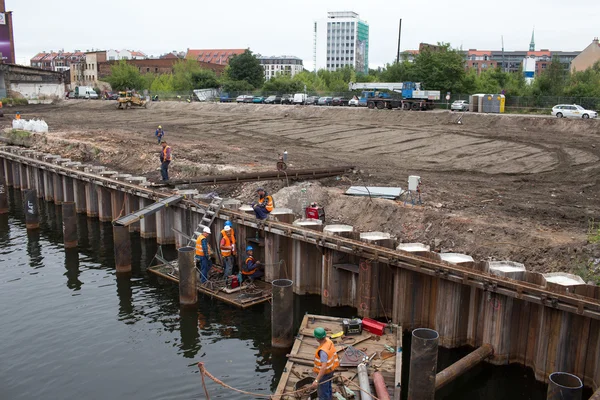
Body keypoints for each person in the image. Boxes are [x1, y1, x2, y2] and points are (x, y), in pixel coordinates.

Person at [310, 327, 339, 400]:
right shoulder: (329, 341)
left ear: (317, 338)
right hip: (331, 370)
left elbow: (323, 367)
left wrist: (316, 380)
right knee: (328, 387)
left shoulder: (323, 352)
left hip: (324, 374)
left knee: (323, 393)